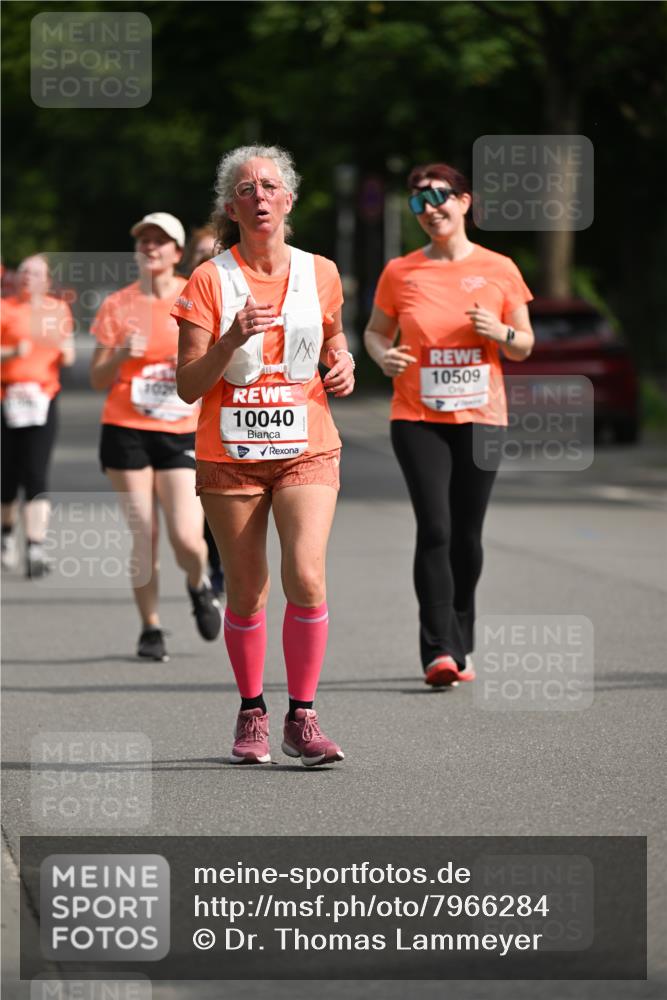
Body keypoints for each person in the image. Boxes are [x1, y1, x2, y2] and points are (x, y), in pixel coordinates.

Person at [174, 145, 355, 765]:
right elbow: (189, 385)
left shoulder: (320, 272)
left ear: (289, 198)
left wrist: (344, 361)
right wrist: (230, 338)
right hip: (231, 452)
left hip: (306, 446)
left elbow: (332, 338)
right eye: (246, 189)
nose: (259, 196)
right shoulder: (208, 279)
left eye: (269, 186)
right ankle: (252, 711)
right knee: (248, 590)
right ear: (232, 206)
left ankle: (302, 716)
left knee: (305, 575)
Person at [364, 162, 534, 687]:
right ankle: (439, 650)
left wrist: (500, 330)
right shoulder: (401, 271)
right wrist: (382, 357)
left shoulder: (500, 267)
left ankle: (462, 637)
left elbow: (525, 345)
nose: (429, 208)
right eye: (418, 201)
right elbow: (374, 332)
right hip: (417, 416)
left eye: (439, 196)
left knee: (467, 535)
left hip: (482, 417)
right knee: (434, 527)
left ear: (465, 202)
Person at [90, 212, 222, 662]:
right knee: (144, 535)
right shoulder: (117, 304)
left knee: (188, 537)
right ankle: (150, 628)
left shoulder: (195, 294)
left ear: (177, 252)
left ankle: (198, 583)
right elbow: (96, 377)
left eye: (160, 242)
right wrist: (122, 354)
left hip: (180, 429)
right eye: (143, 241)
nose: (150, 248)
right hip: (126, 428)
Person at [1, 254, 75, 577]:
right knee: (6, 476)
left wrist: (64, 348)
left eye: (35, 273)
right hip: (6, 397)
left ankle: (35, 546)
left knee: (36, 472)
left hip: (42, 398)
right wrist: (12, 352)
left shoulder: (57, 310)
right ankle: (6, 536)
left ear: (46, 280)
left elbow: (68, 353)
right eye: (24, 273)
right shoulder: (6, 308)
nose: (27, 277)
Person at [182, 224, 225, 597]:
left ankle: (216, 564)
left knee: (215, 510)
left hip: (225, 421)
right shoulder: (186, 300)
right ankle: (202, 568)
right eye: (200, 254)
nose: (208, 259)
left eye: (215, 252)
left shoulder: (236, 295)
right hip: (178, 420)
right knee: (188, 516)